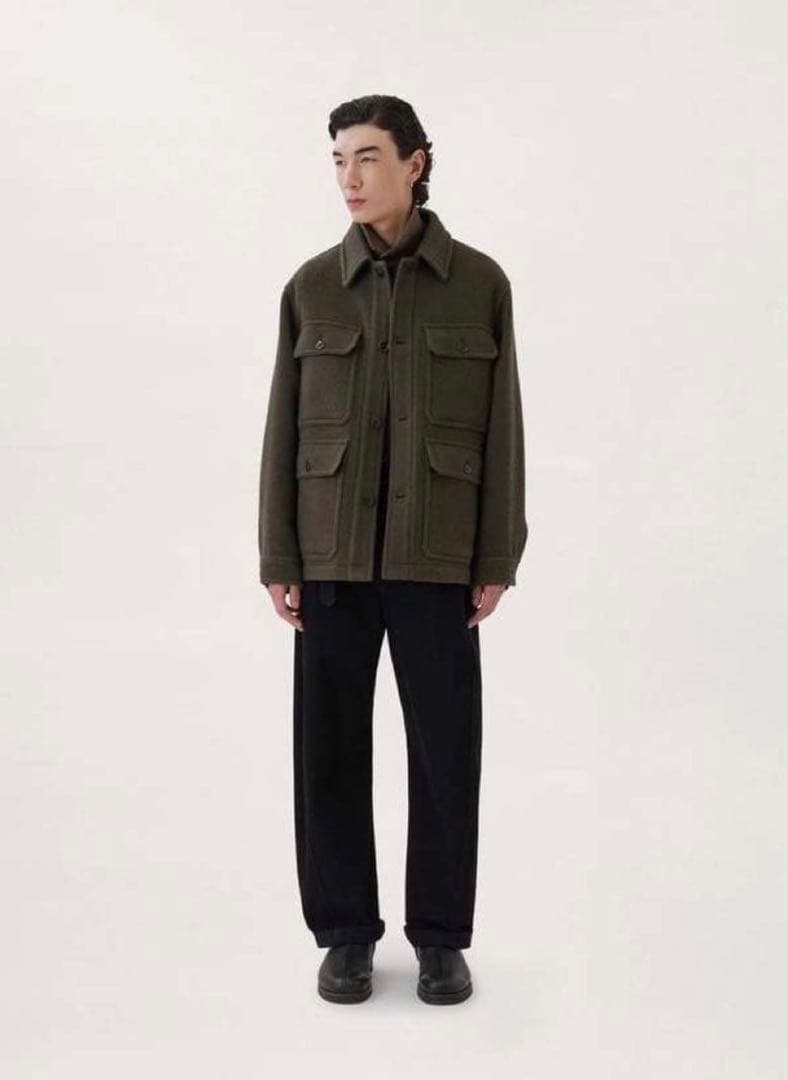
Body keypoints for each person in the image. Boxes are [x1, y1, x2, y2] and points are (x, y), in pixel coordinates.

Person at [257, 94, 528, 1005]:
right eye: (338, 159)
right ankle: (345, 935)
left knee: (446, 753)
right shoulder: (310, 287)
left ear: (416, 163)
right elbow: (282, 429)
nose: (349, 177)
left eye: (368, 157)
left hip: (437, 557)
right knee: (328, 751)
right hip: (330, 560)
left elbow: (504, 427)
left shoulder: (481, 283)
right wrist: (279, 556)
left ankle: (441, 938)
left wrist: (496, 554)